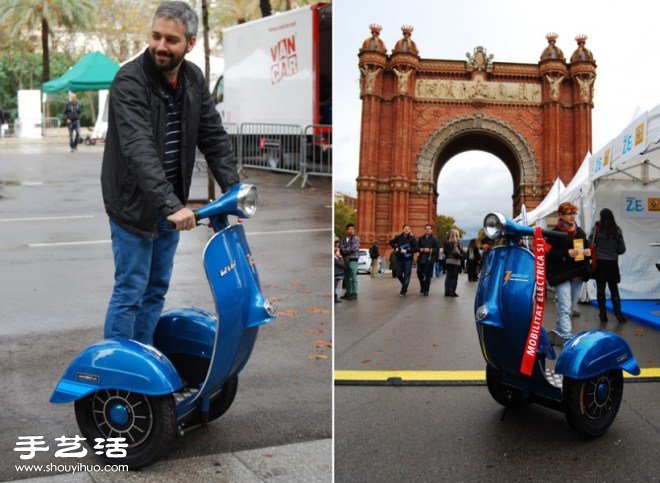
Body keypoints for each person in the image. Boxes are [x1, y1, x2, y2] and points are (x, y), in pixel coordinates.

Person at [101, 1, 239, 345]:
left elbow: (213, 135)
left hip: (170, 207)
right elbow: (138, 148)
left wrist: (236, 188)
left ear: (190, 43)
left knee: (156, 289)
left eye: (171, 40)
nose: (161, 46)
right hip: (134, 206)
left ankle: (143, 356)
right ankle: (118, 371)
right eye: (156, 36)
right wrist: (171, 204)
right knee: (131, 290)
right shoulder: (129, 80)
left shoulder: (192, 78)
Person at [546, 202, 592, 344]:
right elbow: (548, 254)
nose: (572, 216)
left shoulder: (580, 232)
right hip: (561, 274)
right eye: (569, 213)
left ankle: (558, 332)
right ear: (560, 215)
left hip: (577, 273)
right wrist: (566, 253)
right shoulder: (553, 233)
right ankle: (566, 337)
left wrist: (588, 253)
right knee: (565, 307)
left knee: (570, 308)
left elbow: (586, 250)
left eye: (574, 213)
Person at [590, 208, 627, 323]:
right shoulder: (617, 230)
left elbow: (589, 243)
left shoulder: (596, 229)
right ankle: (618, 314)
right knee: (614, 290)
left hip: (600, 263)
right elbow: (622, 249)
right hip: (612, 263)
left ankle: (602, 315)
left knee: (600, 290)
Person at [390, 224, 418, 296]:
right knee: (398, 274)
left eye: (408, 229)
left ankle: (403, 291)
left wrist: (408, 251)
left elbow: (416, 249)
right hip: (399, 258)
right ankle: (405, 285)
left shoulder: (412, 238)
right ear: (403, 229)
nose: (406, 230)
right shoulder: (398, 237)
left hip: (408, 259)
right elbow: (391, 242)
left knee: (407, 275)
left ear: (410, 230)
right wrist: (395, 247)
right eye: (405, 228)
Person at [417, 223, 440, 295]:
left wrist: (430, 250)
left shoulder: (434, 239)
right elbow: (417, 247)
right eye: (426, 229)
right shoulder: (421, 238)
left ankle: (426, 290)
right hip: (421, 258)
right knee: (419, 273)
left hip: (430, 259)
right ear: (424, 229)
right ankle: (422, 286)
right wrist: (420, 249)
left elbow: (437, 248)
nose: (427, 230)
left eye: (429, 229)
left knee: (428, 275)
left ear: (431, 230)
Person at [339, 223, 360, 300]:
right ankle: (348, 292)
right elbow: (341, 248)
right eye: (350, 229)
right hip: (345, 260)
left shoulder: (356, 239)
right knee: (347, 278)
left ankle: (354, 293)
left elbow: (353, 248)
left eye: (352, 229)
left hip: (353, 260)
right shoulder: (343, 239)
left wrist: (344, 250)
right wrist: (344, 250)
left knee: (353, 277)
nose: (351, 231)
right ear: (346, 230)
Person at [443, 229, 464, 297]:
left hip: (448, 261)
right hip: (456, 261)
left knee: (448, 276)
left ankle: (447, 292)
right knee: (454, 277)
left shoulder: (446, 242)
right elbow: (461, 251)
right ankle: (452, 292)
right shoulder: (457, 242)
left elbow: (445, 252)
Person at [334, 237, 344, 304]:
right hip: (336, 274)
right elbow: (342, 264)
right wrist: (340, 257)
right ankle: (334, 298)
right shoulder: (336, 259)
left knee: (335, 286)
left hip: (336, 274)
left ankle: (334, 297)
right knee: (334, 286)